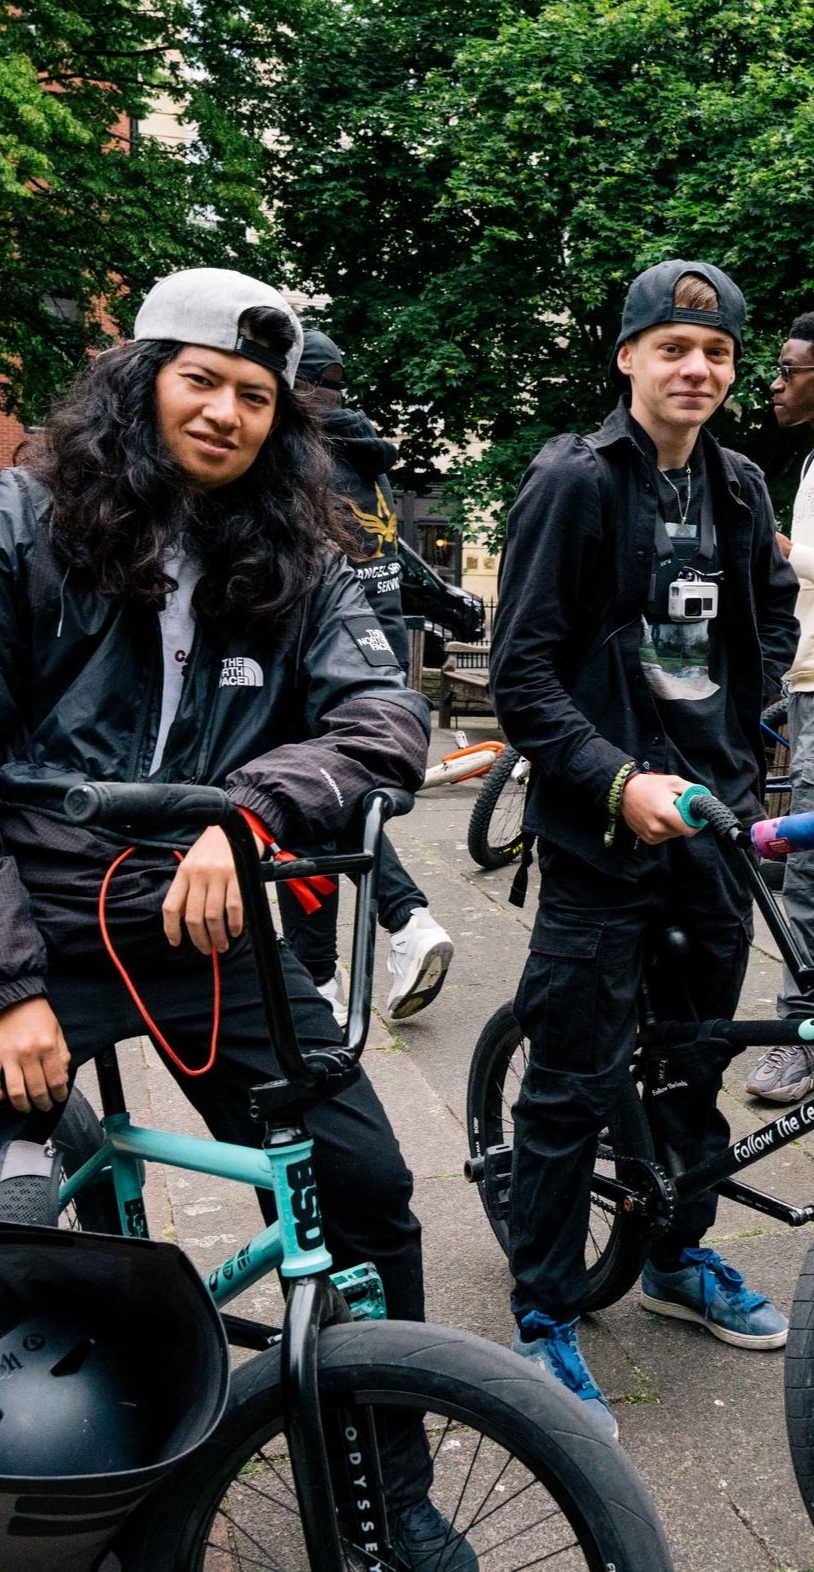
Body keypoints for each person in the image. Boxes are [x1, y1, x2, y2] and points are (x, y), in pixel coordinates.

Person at [0, 268, 476, 1570]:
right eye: (204, 380)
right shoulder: (21, 523)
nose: (230, 411)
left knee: (367, 1188)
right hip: (18, 934)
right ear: (142, 382)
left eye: (256, 395)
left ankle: (383, 1491)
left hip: (199, 942)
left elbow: (383, 721)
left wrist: (250, 809)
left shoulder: (297, 553)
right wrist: (3, 986)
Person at [491, 261, 799, 1436]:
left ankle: (676, 1258)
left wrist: (737, 722)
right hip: (599, 833)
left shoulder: (735, 483)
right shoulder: (573, 479)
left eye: (715, 353)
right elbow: (519, 671)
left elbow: (766, 610)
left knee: (692, 1062)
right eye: (671, 347)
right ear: (624, 356)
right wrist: (615, 777)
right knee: (569, 1077)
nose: (696, 369)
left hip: (709, 832)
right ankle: (542, 1313)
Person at [277, 329, 453, 1026]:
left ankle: (325, 974)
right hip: (374, 650)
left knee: (300, 798)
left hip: (313, 647)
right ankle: (400, 925)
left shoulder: (298, 453)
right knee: (333, 798)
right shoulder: (367, 456)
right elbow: (392, 554)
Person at [746, 313, 814, 1104]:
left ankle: (799, 1034)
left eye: (791, 369)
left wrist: (775, 543)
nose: (776, 380)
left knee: (806, 869)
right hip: (803, 685)